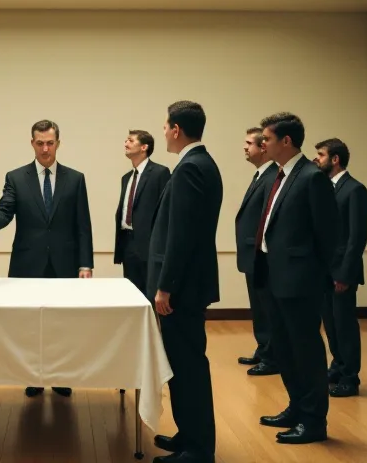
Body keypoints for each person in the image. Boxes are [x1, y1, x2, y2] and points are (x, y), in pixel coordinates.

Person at [0, 119, 94, 398]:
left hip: (65, 264)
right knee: (29, 325)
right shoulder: (16, 177)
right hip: (27, 263)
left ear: (58, 143)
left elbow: (83, 225)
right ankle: (34, 377)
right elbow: (4, 211)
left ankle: (61, 376)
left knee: (62, 324)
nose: (45, 149)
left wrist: (85, 264)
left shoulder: (75, 179)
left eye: (50, 143)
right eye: (40, 143)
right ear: (32, 143)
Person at [255, 112, 336, 444]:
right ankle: (296, 407)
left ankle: (314, 421)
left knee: (306, 352)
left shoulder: (311, 177)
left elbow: (328, 234)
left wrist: (315, 277)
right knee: (285, 350)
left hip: (300, 281)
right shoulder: (278, 175)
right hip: (274, 277)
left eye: (267, 138)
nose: (262, 143)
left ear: (286, 141)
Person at [147, 101, 221, 463]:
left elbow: (182, 235)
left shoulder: (191, 168)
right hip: (188, 285)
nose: (163, 132)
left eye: (165, 126)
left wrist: (166, 286)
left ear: (176, 129)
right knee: (182, 364)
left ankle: (198, 449)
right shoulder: (200, 163)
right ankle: (188, 434)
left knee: (188, 366)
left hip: (183, 289)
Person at [313, 138, 367, 397]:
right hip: (323, 270)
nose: (317, 159)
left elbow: (356, 237)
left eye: (321, 154)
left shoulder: (355, 189)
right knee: (330, 324)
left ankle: (350, 376)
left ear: (335, 159)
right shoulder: (325, 187)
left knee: (344, 326)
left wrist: (345, 274)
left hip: (342, 272)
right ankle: (337, 365)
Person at [234, 127, 279, 376]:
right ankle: (263, 350)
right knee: (259, 307)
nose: (244, 147)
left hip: (262, 255)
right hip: (252, 254)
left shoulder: (272, 176)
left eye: (249, 143)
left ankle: (272, 358)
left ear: (263, 148)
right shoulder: (261, 175)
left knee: (267, 308)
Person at [113, 130, 170, 294]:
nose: (126, 143)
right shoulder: (126, 178)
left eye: (130, 140)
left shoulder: (160, 173)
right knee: (131, 294)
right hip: (127, 244)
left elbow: (165, 212)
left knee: (150, 294)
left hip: (150, 245)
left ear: (144, 147)